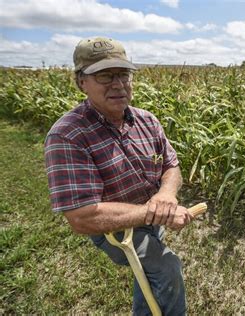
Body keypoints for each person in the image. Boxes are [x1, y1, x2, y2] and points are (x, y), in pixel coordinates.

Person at [44, 36, 193, 315]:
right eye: (104, 76)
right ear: (81, 82)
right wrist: (155, 211)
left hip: (150, 217)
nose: (118, 84)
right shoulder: (67, 135)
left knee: (148, 272)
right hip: (113, 229)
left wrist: (166, 195)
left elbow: (171, 166)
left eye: (123, 74)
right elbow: (83, 217)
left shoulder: (147, 120)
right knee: (166, 267)